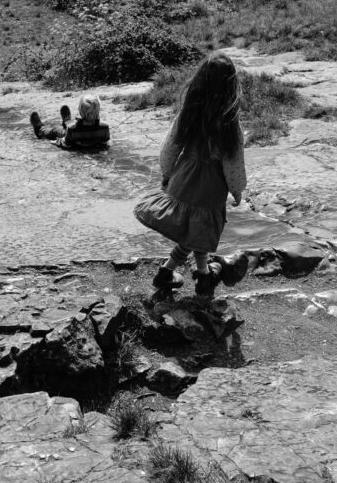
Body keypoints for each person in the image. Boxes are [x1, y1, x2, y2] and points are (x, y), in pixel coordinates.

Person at [134, 52, 247, 298]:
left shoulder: (189, 112)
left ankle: (178, 273)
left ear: (198, 82)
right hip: (211, 188)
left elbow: (170, 146)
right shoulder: (229, 123)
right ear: (231, 85)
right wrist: (237, 189)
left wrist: (167, 173)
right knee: (199, 230)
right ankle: (201, 276)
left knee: (194, 231)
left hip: (184, 180)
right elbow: (233, 162)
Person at [30, 94, 110, 149]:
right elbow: (104, 142)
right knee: (69, 125)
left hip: (69, 135)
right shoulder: (104, 128)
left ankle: (40, 130)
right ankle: (67, 121)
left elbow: (66, 144)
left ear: (80, 112)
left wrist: (56, 142)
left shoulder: (73, 129)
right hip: (78, 135)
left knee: (56, 130)